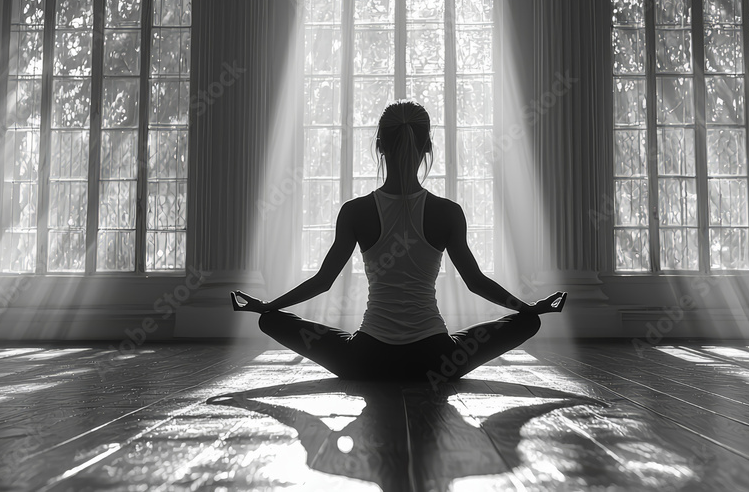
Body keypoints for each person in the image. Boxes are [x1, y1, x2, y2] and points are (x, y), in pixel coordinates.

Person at [231, 100, 566, 384]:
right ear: (427, 148)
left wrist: (268, 307)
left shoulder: (355, 211)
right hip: (436, 362)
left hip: (366, 361)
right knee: (529, 322)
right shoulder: (447, 212)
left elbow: (323, 281)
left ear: (380, 145)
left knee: (270, 320)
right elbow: (476, 283)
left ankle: (268, 314)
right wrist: (528, 309)